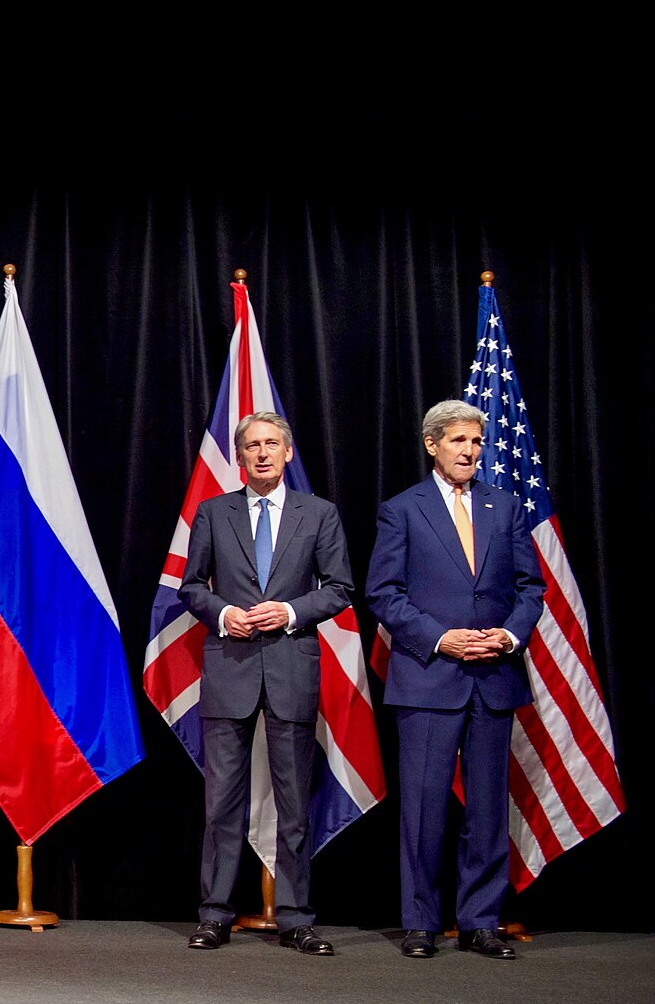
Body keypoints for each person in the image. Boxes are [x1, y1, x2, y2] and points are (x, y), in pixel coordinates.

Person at [368, 399, 544, 960]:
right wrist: (441, 637)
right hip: (428, 675)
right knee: (423, 805)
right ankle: (420, 921)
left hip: (492, 675)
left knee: (489, 806)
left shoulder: (506, 506)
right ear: (432, 445)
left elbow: (530, 587)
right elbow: (383, 593)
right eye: (458, 441)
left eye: (476, 442)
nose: (469, 451)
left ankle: (480, 921)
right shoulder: (402, 510)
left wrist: (508, 636)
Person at [177, 412, 354, 955]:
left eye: (271, 444)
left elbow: (341, 587)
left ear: (288, 452)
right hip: (229, 668)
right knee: (221, 804)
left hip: (290, 668)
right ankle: (215, 914)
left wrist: (292, 611)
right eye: (251, 445)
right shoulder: (213, 512)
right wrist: (226, 613)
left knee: (294, 802)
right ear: (240, 456)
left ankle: (296, 917)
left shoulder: (318, 514)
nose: (261, 453)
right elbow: (190, 587)